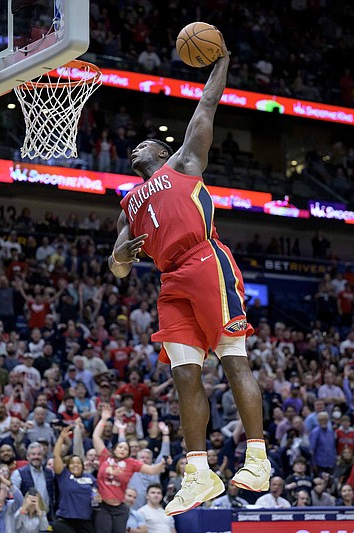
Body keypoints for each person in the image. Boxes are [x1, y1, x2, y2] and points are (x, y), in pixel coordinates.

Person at [109, 32, 269, 517]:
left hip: (204, 261)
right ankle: (199, 472)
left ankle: (257, 458)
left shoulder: (184, 162)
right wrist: (124, 255)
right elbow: (116, 268)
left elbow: (206, 105)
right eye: (132, 146)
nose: (136, 147)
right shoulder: (126, 206)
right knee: (184, 375)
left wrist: (220, 60)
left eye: (144, 143)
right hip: (169, 280)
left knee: (232, 358)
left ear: (160, 151)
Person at [93, 404, 165, 533]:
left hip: (120, 507)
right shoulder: (105, 456)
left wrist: (162, 464)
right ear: (114, 449)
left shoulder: (131, 463)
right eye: (120, 447)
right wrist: (104, 419)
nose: (123, 449)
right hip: (103, 506)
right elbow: (96, 437)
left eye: (126, 448)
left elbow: (152, 470)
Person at [52, 425, 96, 533]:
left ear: (83, 466)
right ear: (67, 466)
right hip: (65, 520)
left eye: (78, 463)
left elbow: (97, 492)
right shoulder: (64, 475)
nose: (75, 465)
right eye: (72, 463)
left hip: (85, 520)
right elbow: (56, 456)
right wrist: (61, 438)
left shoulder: (89, 477)